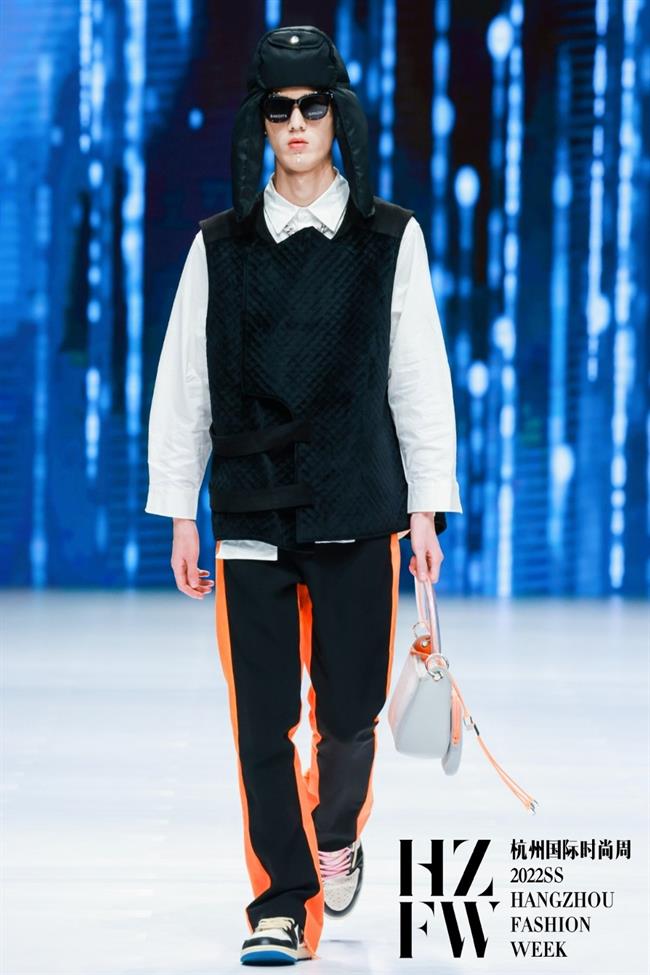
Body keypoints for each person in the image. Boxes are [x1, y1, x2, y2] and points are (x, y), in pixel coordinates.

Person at [145, 24, 462, 967]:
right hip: (252, 510)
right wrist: (179, 509)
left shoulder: (389, 238)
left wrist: (426, 505)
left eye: (312, 106)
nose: (296, 123)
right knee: (261, 723)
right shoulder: (220, 246)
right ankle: (282, 903)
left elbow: (418, 376)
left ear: (338, 116)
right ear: (260, 120)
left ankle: (334, 830)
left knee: (350, 715)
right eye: (279, 108)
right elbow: (185, 382)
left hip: (360, 505)